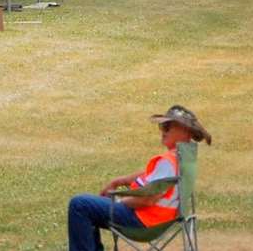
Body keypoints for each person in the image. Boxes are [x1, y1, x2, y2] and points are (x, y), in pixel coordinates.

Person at [65, 105, 212, 251]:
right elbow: (148, 176)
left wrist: (119, 200)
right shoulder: (183, 157)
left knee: (80, 205)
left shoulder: (168, 162)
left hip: (143, 221)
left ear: (185, 130)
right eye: (162, 126)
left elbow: (147, 199)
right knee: (90, 206)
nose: (163, 130)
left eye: (168, 126)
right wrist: (118, 181)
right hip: (159, 220)